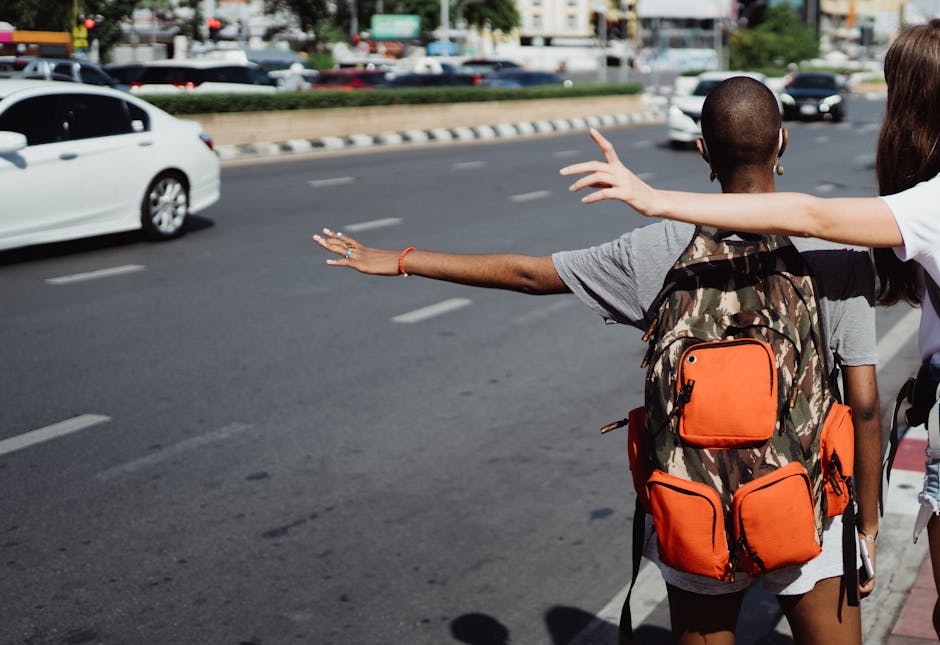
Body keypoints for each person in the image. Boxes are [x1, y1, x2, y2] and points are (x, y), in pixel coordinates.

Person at [562, 20, 940, 645]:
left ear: (911, 109)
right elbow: (866, 393)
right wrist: (865, 523)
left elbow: (811, 215)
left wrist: (657, 200)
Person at [313, 76, 882, 645]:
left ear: (703, 149)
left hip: (698, 503)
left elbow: (528, 274)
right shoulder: (832, 246)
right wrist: (870, 525)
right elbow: (863, 404)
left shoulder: (657, 249)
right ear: (782, 142)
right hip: (807, 499)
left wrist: (405, 259)